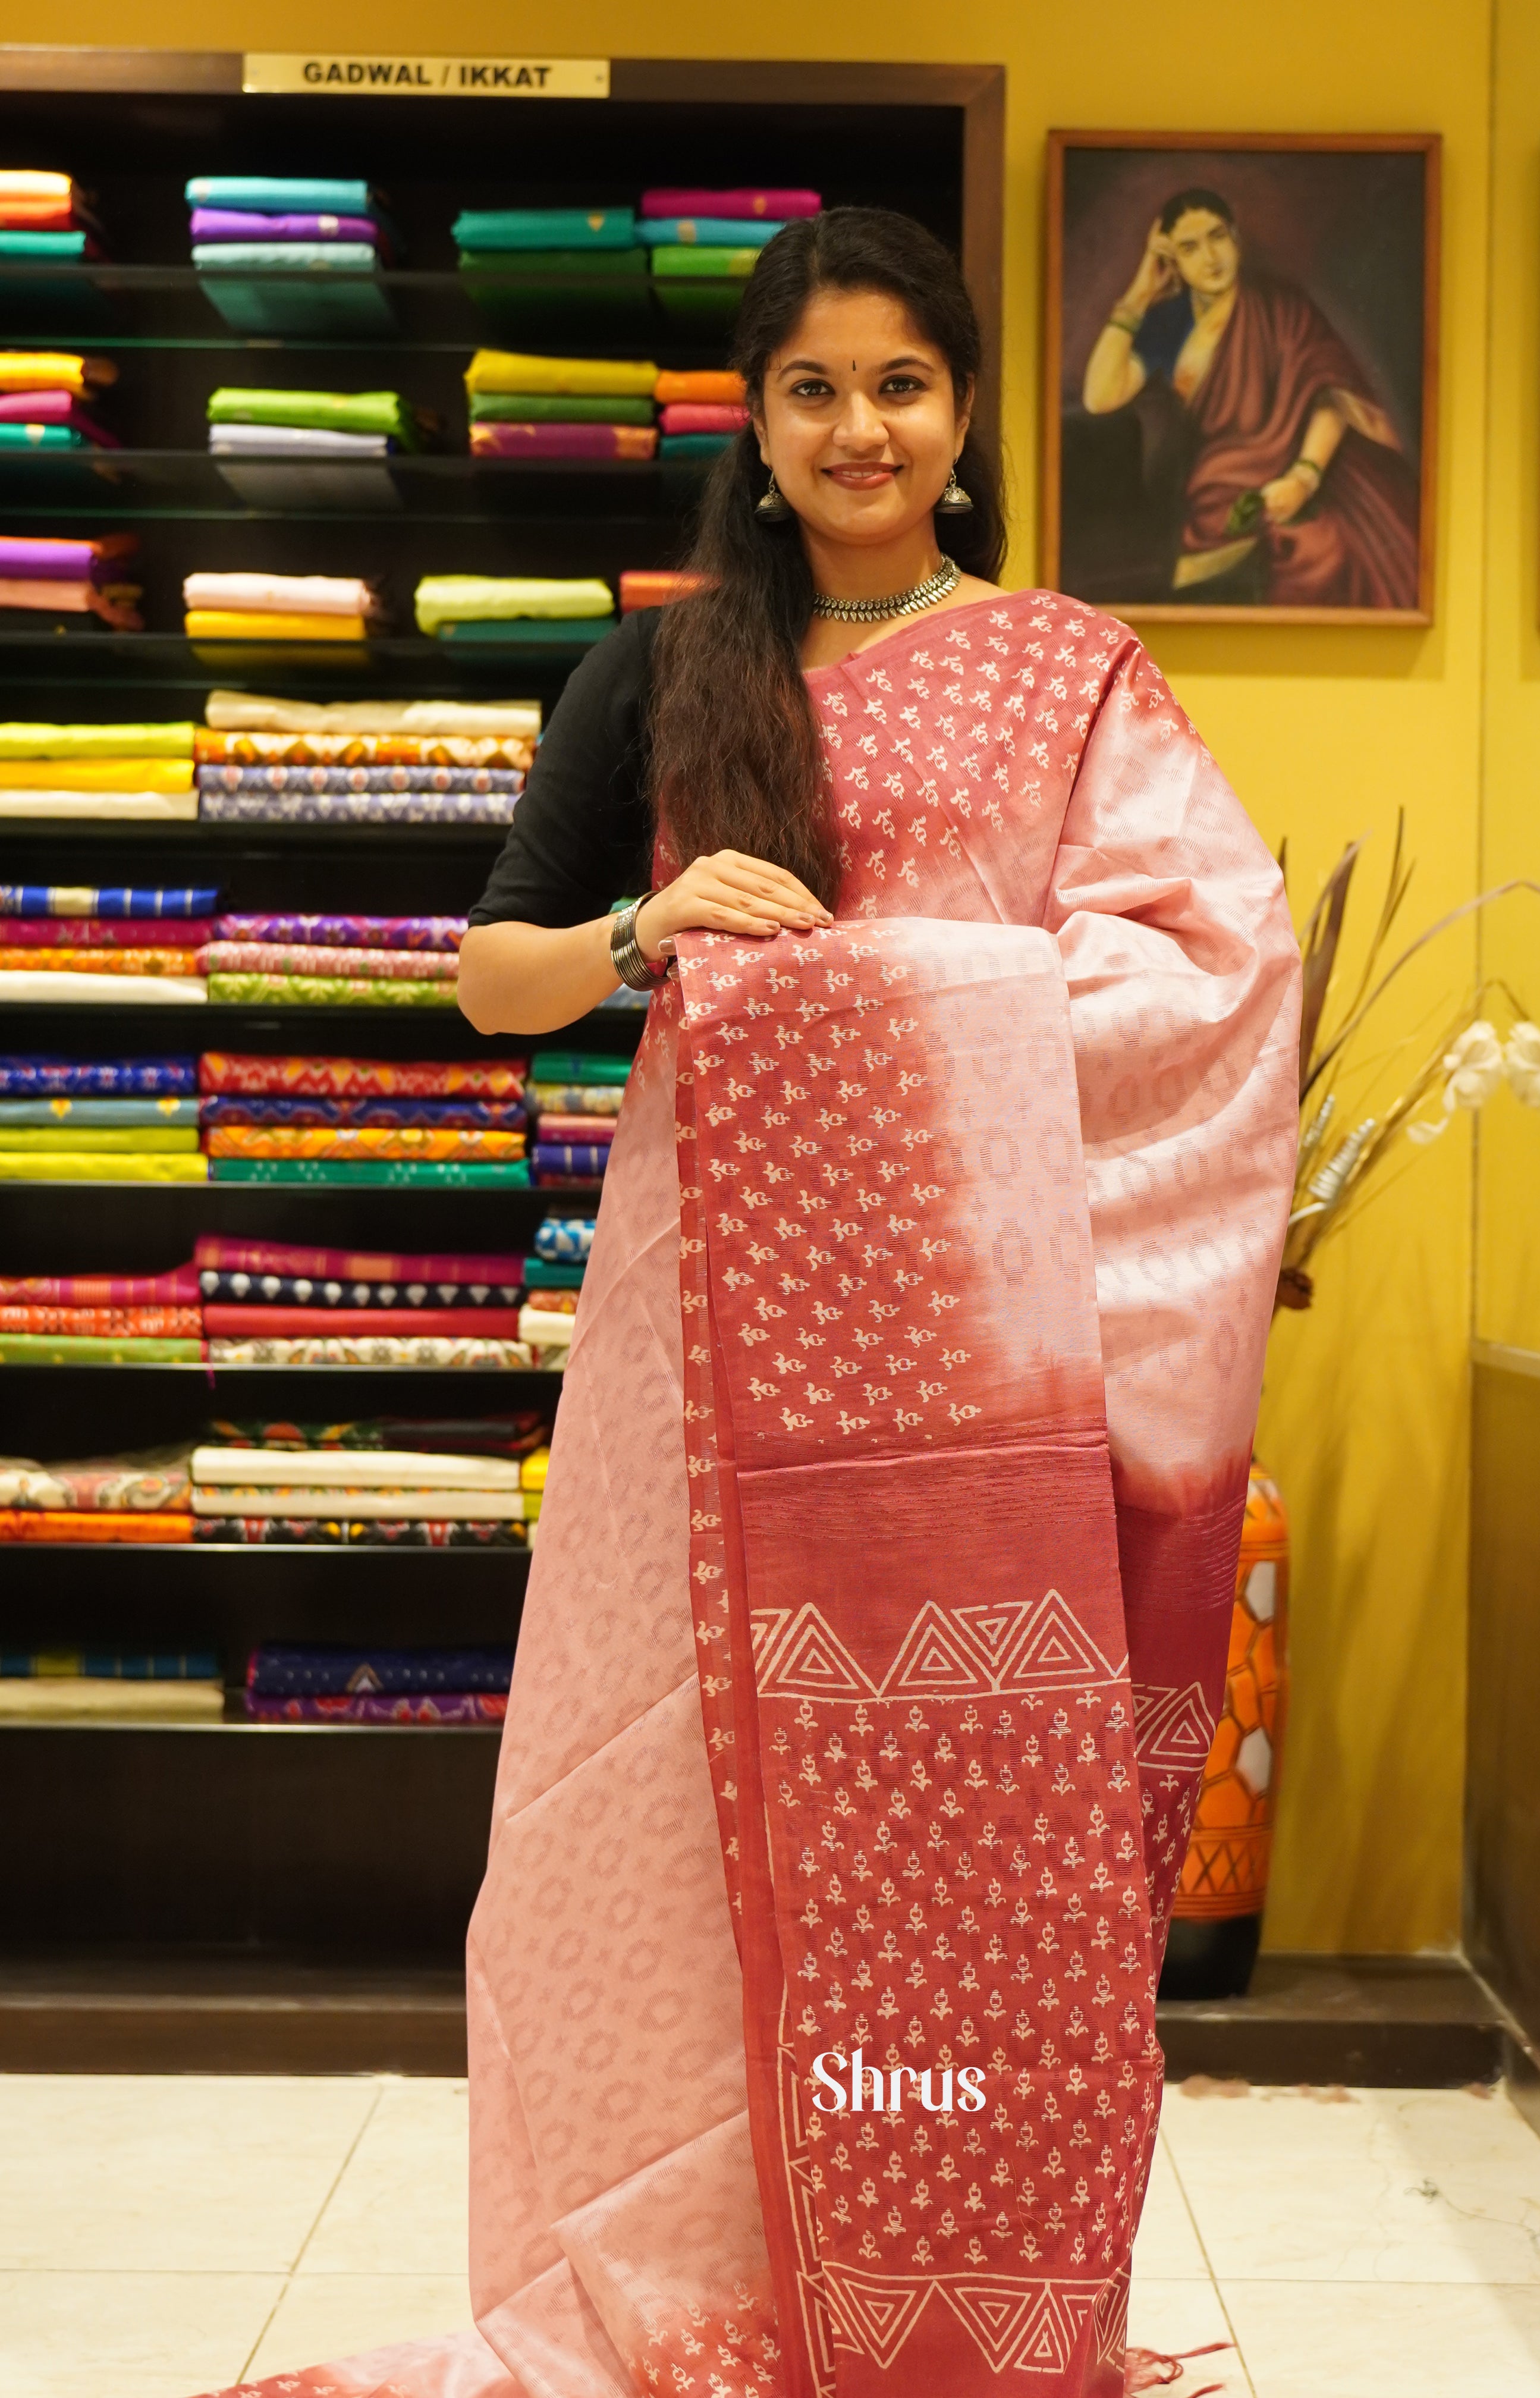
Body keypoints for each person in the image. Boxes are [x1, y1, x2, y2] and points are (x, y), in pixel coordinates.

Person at [200, 208, 1298, 2398]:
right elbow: (487, 983)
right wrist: (638, 927)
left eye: (898, 384)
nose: (857, 428)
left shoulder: (1073, 670)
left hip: (983, 1350)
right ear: (759, 422)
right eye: (812, 389)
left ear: (962, 417)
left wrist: (897, 993)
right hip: (710, 1349)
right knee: (663, 1812)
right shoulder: (663, 670)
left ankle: (946, 2291)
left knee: (971, 1846)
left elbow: (1208, 967)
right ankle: (694, 2276)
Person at [1082, 184, 1419, 607]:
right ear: (1172, 261)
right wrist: (1138, 293)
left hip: (1296, 482)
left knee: (1323, 550)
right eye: (1190, 247)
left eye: (1218, 237)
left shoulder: (1283, 311)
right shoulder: (1169, 324)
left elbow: (1332, 396)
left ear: (1236, 238)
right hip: (1210, 498)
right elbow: (1100, 397)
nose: (1211, 257)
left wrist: (1304, 477)